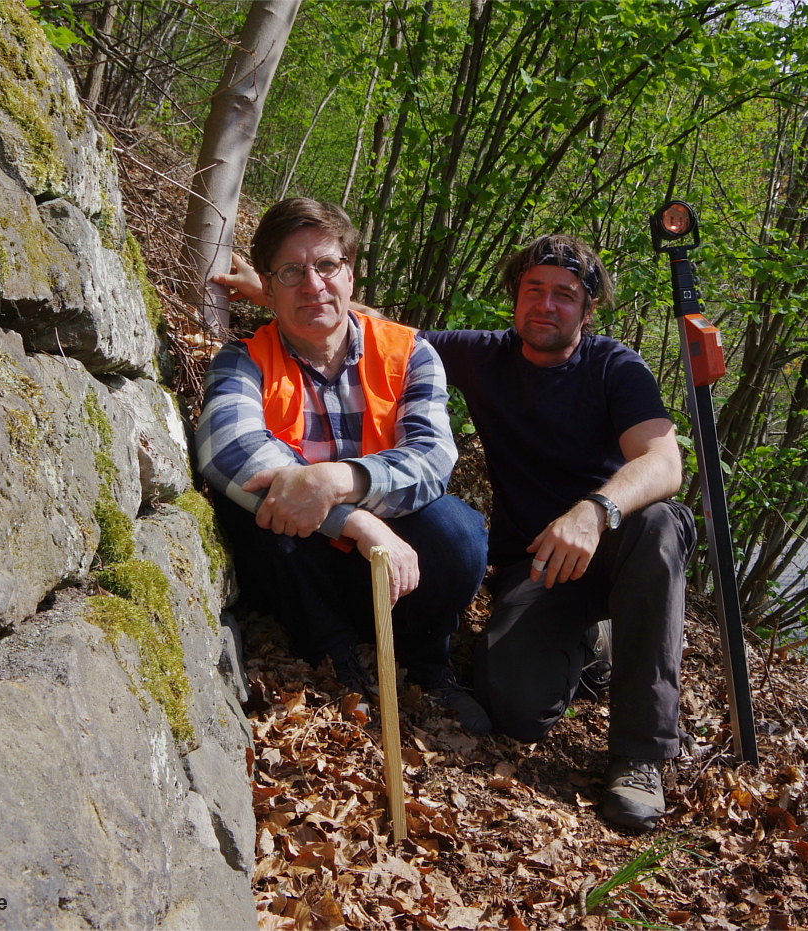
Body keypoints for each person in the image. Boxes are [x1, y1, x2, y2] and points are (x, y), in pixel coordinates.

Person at [216, 234, 694, 832]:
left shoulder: (614, 367)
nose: (546, 305)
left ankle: (640, 753)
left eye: (565, 295)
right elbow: (375, 331)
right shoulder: (485, 354)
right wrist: (279, 290)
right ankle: (587, 640)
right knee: (516, 712)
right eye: (534, 290)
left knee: (656, 522)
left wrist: (593, 511)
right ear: (515, 300)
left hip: (612, 541)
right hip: (536, 565)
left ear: (588, 308)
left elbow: (663, 464)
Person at [196, 198, 490, 735]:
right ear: (270, 283)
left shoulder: (411, 353)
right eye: (291, 271)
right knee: (250, 506)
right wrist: (355, 521)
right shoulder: (243, 360)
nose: (312, 285)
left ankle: (426, 665)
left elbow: (432, 458)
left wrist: (341, 479)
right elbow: (226, 452)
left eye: (326, 265)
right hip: (301, 561)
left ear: (349, 274)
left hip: (392, 572)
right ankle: (332, 657)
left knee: (459, 531)